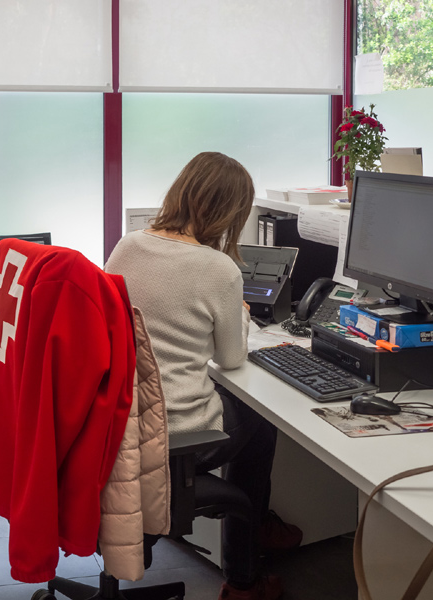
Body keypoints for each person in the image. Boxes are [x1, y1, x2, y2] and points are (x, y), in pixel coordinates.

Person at [106, 152, 300, 600]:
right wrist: (241, 317)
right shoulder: (220, 269)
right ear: (231, 213)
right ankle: (244, 575)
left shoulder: (127, 245)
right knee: (261, 421)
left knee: (249, 417)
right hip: (177, 430)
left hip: (122, 419)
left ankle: (253, 526)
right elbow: (232, 359)